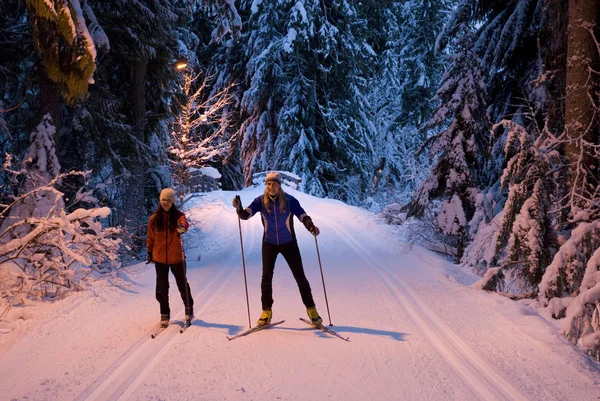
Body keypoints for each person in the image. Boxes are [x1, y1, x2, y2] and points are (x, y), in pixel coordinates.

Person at [232, 172, 323, 326]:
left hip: (289, 243)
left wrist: (311, 227)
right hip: (269, 243)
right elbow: (245, 215)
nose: (271, 187)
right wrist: (239, 207)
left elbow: (303, 216)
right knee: (266, 278)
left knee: (300, 277)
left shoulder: (289, 200)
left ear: (279, 186)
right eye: (268, 184)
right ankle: (266, 312)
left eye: (274, 184)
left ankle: (312, 310)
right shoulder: (260, 201)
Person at [147, 188, 194, 327]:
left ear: (173, 201)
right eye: (163, 200)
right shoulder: (154, 218)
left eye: (168, 200)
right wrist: (149, 251)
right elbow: (150, 237)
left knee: (182, 285)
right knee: (161, 287)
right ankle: (164, 313)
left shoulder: (179, 216)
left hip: (177, 258)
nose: (165, 203)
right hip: (160, 258)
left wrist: (182, 227)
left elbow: (184, 224)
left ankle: (188, 309)